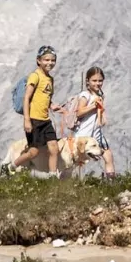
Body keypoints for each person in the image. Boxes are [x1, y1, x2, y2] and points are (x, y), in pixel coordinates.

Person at [12, 45, 59, 174]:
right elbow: (27, 97)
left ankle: (53, 177)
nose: (50, 63)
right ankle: (11, 166)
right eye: (46, 60)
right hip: (34, 120)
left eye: (52, 60)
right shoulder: (35, 76)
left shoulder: (50, 79)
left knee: (54, 148)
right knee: (33, 152)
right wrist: (27, 120)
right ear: (39, 60)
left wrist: (52, 105)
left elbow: (45, 97)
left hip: (46, 120)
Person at [67, 66, 116, 178]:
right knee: (74, 161)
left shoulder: (100, 95)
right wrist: (94, 105)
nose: (97, 83)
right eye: (94, 80)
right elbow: (79, 112)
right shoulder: (85, 95)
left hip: (97, 133)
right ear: (87, 81)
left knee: (108, 156)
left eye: (100, 81)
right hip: (84, 134)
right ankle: (63, 182)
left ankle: (111, 182)